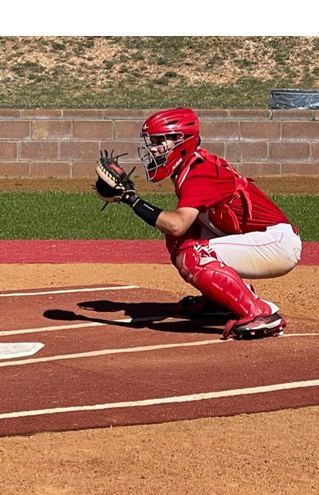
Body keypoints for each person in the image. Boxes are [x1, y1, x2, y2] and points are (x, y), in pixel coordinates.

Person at [99, 107, 301, 340]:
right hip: (256, 239)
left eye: (158, 141)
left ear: (181, 140)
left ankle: (261, 313)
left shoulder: (199, 171)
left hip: (275, 243)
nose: (152, 149)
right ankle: (220, 299)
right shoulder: (189, 167)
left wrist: (132, 200)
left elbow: (177, 223)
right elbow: (178, 230)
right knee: (180, 239)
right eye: (151, 142)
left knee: (192, 252)